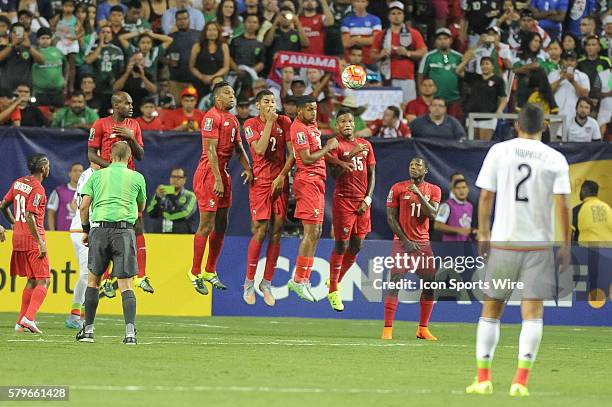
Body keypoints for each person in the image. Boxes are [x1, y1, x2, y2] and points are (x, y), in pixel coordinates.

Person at [466, 103, 571, 396]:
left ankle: (483, 378)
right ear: (545, 127)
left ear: (517, 125)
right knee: (533, 312)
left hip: (503, 242)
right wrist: (565, 244)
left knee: (491, 309)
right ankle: (520, 382)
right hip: (538, 245)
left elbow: (486, 195)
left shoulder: (500, 151)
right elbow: (563, 204)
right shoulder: (556, 158)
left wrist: (484, 233)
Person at [77, 141, 147, 345]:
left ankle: (88, 331)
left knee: (93, 281)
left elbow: (83, 207)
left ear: (110, 156)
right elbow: (141, 205)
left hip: (99, 230)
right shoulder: (137, 177)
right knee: (126, 285)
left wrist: (86, 230)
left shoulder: (97, 176)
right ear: (129, 158)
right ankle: (130, 334)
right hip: (124, 231)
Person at [188, 81, 253, 295]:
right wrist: (217, 178)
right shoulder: (211, 117)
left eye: (233, 92)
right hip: (209, 173)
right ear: (217, 98)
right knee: (206, 225)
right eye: (227, 93)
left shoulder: (233, 120)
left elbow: (238, 148)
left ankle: (210, 270)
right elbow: (212, 151)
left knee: (222, 225)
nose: (232, 96)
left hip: (222, 174)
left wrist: (249, 168)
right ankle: (195, 272)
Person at [87, 92, 153, 294]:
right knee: (108, 228)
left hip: (127, 180)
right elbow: (90, 153)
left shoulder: (134, 126)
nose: (132, 106)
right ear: (115, 105)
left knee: (137, 224)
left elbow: (140, 155)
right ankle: (106, 278)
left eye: (132, 103)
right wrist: (110, 169)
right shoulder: (100, 124)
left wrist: (131, 138)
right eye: (127, 103)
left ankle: (141, 276)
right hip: (107, 180)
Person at [242, 90, 294, 306]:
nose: (271, 105)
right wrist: (270, 124)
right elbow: (261, 150)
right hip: (261, 182)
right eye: (266, 102)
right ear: (258, 105)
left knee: (277, 232)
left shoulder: (286, 122)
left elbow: (293, 153)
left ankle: (267, 282)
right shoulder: (250, 124)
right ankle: (249, 281)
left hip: (280, 182)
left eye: (274, 101)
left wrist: (283, 176)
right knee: (260, 230)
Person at [287, 95, 338, 302]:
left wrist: (340, 163)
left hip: (317, 180)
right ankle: (298, 280)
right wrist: (328, 147)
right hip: (307, 180)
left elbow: (320, 153)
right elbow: (307, 158)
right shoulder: (299, 128)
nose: (313, 112)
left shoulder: (313, 126)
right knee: (310, 231)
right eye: (309, 109)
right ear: (299, 111)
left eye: (315, 109)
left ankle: (304, 278)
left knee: (316, 232)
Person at [383, 157, 441, 341]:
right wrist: (405, 240)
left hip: (423, 244)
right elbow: (391, 218)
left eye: (418, 165)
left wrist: (419, 194)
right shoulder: (397, 188)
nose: (413, 168)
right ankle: (387, 330)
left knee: (430, 284)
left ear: (426, 171)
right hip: (402, 243)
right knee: (395, 283)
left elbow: (432, 214)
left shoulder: (434, 190)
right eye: (411, 165)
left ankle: (422, 329)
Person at [326, 107, 375, 311]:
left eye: (350, 121)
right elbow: (335, 174)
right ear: (337, 125)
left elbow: (372, 173)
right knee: (342, 245)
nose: (347, 124)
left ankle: (334, 281)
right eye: (343, 121)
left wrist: (368, 199)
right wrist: (348, 157)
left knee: (357, 246)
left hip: (362, 203)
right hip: (343, 200)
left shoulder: (365, 145)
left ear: (354, 124)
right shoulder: (336, 145)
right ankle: (333, 291)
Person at [0, 154, 51, 334]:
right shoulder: (38, 189)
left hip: (18, 237)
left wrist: (13, 223)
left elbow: (3, 205)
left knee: (32, 280)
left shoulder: (18, 183)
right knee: (44, 280)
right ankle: (29, 318)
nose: (49, 168)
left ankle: (20, 323)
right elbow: (30, 215)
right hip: (32, 238)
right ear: (43, 168)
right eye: (48, 165)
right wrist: (40, 242)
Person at [64, 161, 100, 329]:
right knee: (87, 274)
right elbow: (84, 204)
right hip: (83, 229)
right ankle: (74, 315)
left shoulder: (85, 175)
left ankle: (81, 314)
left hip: (79, 227)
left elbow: (74, 203)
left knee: (90, 274)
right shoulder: (92, 175)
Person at [371, 1, 427, 104]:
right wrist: (381, 54)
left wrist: (407, 53)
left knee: (408, 108)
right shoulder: (381, 35)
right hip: (387, 79)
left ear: (404, 15)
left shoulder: (413, 33)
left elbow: (424, 52)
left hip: (407, 78)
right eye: (393, 13)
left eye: (399, 13)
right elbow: (372, 57)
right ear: (388, 16)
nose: (396, 16)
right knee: (388, 109)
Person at [456, 54, 507, 140]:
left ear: (493, 66)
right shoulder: (475, 77)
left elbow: (503, 98)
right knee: (472, 145)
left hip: (488, 118)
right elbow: (458, 71)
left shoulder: (498, 80)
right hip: (472, 116)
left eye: (487, 64)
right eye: (482, 64)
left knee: (483, 145)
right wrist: (467, 60)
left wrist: (499, 110)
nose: (484, 66)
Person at [418, 28, 464, 120]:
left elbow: (464, 76)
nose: (442, 41)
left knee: (453, 126)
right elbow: (421, 76)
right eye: (439, 39)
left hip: (454, 99)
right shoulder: (429, 56)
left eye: (445, 38)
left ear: (450, 40)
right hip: (434, 100)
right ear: (435, 41)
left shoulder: (458, 57)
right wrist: (422, 95)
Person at [84, 25, 125, 116]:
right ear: (99, 34)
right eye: (103, 32)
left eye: (108, 32)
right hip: (96, 89)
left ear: (112, 35)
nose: (105, 34)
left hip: (111, 89)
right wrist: (100, 46)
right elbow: (88, 60)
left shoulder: (117, 50)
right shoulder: (93, 48)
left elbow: (121, 70)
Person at [147, 167, 197, 233]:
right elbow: (150, 212)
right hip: (160, 235)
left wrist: (164, 214)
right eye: (173, 176)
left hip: (183, 236)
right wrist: (157, 197)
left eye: (179, 177)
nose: (175, 179)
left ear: (184, 179)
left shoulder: (190, 196)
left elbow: (184, 213)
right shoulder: (161, 193)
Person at [549, 50, 590, 131]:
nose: (569, 63)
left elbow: (585, 95)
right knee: (554, 143)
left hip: (575, 118)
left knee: (574, 143)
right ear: (561, 61)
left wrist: (572, 81)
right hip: (555, 117)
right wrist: (560, 79)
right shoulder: (553, 75)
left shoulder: (582, 76)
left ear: (576, 63)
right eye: (566, 60)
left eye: (572, 60)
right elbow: (547, 93)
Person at [164, 9, 199, 102]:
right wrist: (168, 61)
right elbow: (159, 56)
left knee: (195, 111)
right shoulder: (170, 37)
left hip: (195, 81)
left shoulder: (198, 35)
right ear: (175, 21)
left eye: (185, 18)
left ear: (189, 19)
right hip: (176, 81)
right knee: (175, 111)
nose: (182, 21)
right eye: (179, 19)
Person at [190, 22, 230, 98]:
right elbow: (192, 66)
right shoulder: (197, 46)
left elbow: (226, 67)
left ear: (218, 32)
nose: (212, 32)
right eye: (209, 30)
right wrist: (202, 77)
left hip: (217, 81)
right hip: (199, 80)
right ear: (205, 32)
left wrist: (213, 77)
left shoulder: (224, 46)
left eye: (214, 30)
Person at [0, 23, 44, 92]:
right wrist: (12, 45)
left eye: (20, 32)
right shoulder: (3, 48)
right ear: (10, 34)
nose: (17, 35)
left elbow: (42, 61)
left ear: (25, 34)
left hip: (25, 90)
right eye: (14, 32)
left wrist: (29, 47)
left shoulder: (30, 48)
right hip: (6, 90)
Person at [31, 27, 66, 107]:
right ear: (37, 40)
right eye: (43, 38)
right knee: (41, 115)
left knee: (57, 116)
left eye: (48, 38)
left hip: (58, 92)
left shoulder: (57, 51)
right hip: (40, 93)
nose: (45, 40)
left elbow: (67, 66)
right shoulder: (34, 52)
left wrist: (65, 80)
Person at [340, 0, 381, 66]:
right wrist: (366, 39)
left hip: (369, 60)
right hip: (351, 61)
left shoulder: (375, 20)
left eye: (363, 1)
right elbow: (346, 43)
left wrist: (355, 39)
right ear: (352, 3)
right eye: (357, 1)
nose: (360, 4)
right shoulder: (346, 21)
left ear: (367, 3)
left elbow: (375, 40)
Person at [47, 162, 83, 231]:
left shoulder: (88, 192)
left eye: (80, 171)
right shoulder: (58, 191)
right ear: (69, 174)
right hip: (63, 234)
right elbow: (51, 213)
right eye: (75, 170)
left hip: (81, 235)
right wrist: (52, 232)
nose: (78, 173)